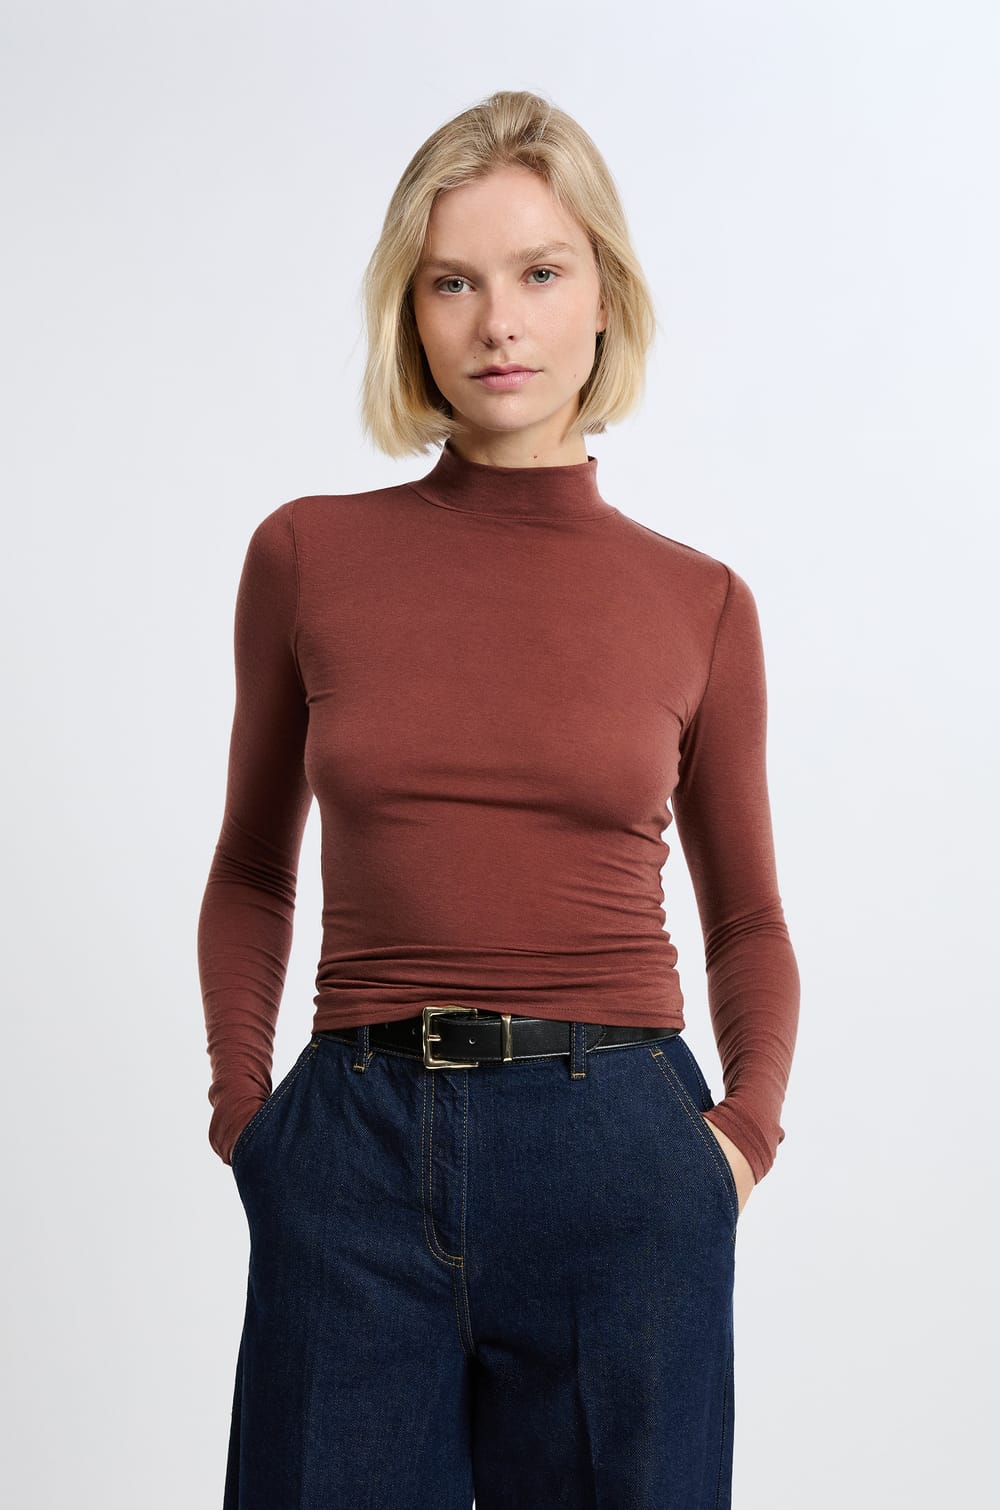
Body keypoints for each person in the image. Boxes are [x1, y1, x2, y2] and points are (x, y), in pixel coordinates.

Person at [198, 88, 800, 1510]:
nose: (499, 324)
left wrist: (739, 1142)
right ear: (411, 313)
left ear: (605, 297)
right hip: (351, 1150)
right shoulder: (306, 557)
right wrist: (247, 1118)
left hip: (621, 1163)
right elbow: (252, 870)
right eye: (454, 282)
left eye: (540, 272)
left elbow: (750, 919)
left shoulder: (700, 602)